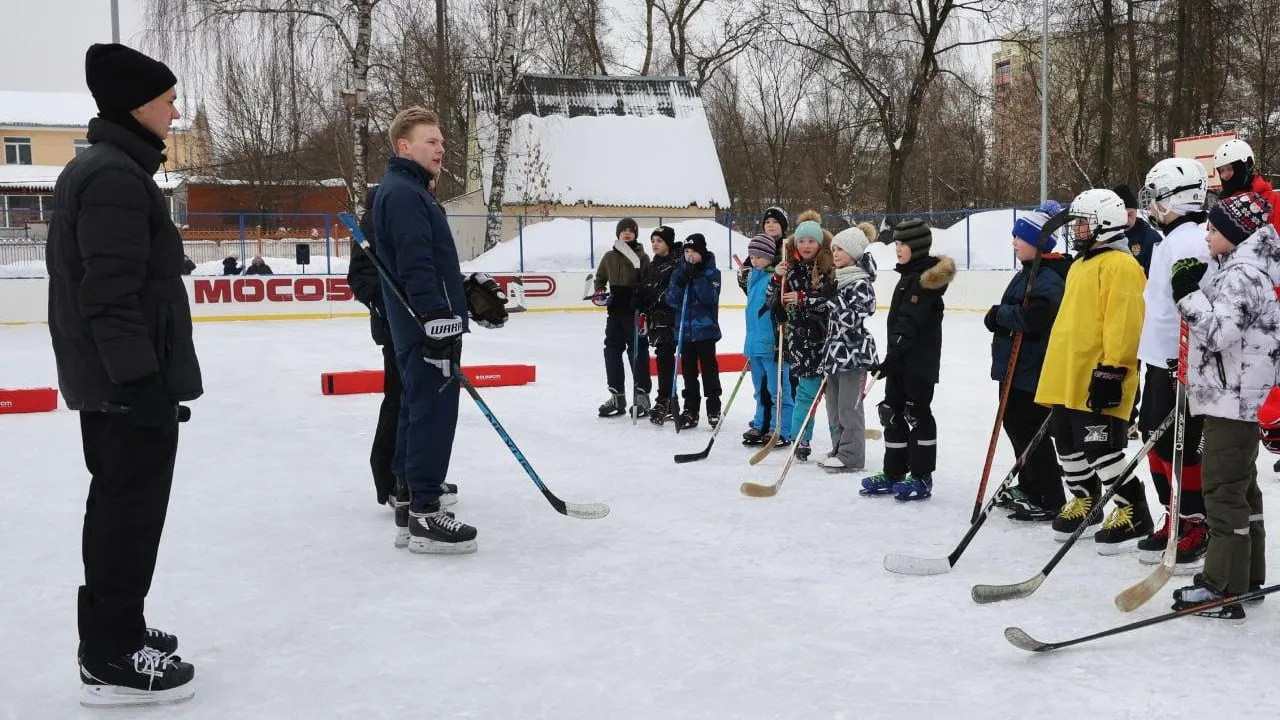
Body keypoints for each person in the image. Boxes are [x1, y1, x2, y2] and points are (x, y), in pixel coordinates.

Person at [48, 42, 202, 706]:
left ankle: (120, 628)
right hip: (125, 388)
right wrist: (139, 385)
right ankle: (110, 655)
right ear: (138, 105)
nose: (175, 109)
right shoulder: (113, 178)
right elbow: (107, 296)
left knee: (123, 508)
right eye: (168, 98)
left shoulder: (116, 169)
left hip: (121, 382)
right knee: (126, 514)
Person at [373, 106, 507, 555]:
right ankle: (427, 514)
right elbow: (415, 263)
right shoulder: (405, 194)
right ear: (403, 146)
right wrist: (436, 317)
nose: (441, 148)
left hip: (425, 322)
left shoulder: (408, 191)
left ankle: (411, 500)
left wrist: (464, 291)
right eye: (431, 141)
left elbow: (428, 262)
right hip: (426, 326)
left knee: (417, 408)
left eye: (442, 141)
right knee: (433, 413)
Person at [1170, 192, 1280, 618]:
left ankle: (1222, 585)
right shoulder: (1242, 271)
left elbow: (1219, 334)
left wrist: (1186, 294)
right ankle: (1245, 578)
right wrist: (1200, 281)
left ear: (1235, 234)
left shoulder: (1242, 276)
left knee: (1222, 493)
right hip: (1234, 397)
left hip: (1230, 400)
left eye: (1214, 228)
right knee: (1242, 491)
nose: (1207, 232)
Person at [1034, 188, 1150, 552]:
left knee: (1100, 449)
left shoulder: (1122, 266)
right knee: (1066, 442)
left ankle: (1134, 508)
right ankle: (1085, 501)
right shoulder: (1080, 265)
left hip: (1099, 376)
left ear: (1105, 223)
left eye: (1083, 223)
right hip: (1068, 374)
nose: (1077, 230)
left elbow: (1125, 323)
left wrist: (1113, 371)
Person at [1133, 158, 1213, 568]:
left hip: (1181, 362)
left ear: (1180, 199)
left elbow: (1195, 304)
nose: (1153, 205)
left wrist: (1189, 358)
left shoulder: (1192, 240)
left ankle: (1195, 520)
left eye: (1158, 197)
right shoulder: (1172, 238)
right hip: (1159, 358)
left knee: (1178, 444)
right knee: (1154, 438)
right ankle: (1175, 514)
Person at [859, 218, 955, 501]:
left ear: (918, 247)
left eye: (904, 244)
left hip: (918, 366)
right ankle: (894, 473)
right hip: (901, 362)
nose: (898, 249)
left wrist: (891, 358)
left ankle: (922, 476)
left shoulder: (925, 282)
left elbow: (909, 325)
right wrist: (892, 360)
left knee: (917, 415)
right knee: (891, 412)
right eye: (897, 243)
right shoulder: (909, 276)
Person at [985, 202, 1071, 520]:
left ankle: (1048, 495)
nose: (1014, 243)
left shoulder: (1048, 276)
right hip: (1014, 368)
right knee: (1016, 428)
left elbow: (1037, 317)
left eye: (1019, 238)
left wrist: (1000, 315)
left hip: (1030, 368)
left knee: (1028, 430)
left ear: (1037, 242)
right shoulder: (1028, 273)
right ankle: (1030, 483)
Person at [768, 210, 836, 462]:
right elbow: (771, 298)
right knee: (805, 393)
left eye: (811, 241)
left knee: (834, 396)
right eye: (802, 241)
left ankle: (839, 441)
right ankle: (801, 438)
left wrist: (804, 298)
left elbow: (832, 300)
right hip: (801, 342)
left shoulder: (830, 267)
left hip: (828, 340)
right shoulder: (790, 268)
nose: (806, 246)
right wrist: (777, 278)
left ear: (819, 243)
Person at [820, 222, 879, 472]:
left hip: (853, 353)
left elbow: (854, 320)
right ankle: (839, 448)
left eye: (841, 249)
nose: (835, 253)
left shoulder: (861, 283)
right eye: (834, 249)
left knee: (848, 407)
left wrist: (833, 300)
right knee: (833, 406)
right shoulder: (839, 279)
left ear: (854, 253)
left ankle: (852, 455)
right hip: (834, 353)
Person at [738, 207, 789, 441]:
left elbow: (775, 297)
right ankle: (761, 423)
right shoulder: (753, 277)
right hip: (755, 343)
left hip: (772, 343)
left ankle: (782, 428)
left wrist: (778, 275)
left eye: (759, 256)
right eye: (753, 255)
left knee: (779, 389)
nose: (755, 260)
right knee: (761, 390)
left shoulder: (777, 273)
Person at [592, 218, 652, 418]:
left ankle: (642, 396)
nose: (627, 233)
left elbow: (648, 283)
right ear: (618, 233)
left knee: (637, 351)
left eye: (631, 230)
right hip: (615, 311)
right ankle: (617, 396)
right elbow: (600, 278)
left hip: (634, 312)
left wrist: (640, 295)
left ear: (635, 234)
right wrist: (600, 291)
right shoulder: (609, 257)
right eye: (623, 230)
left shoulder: (642, 257)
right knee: (611, 351)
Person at [666, 233, 723, 428]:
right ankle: (690, 409)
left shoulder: (712, 273)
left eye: (694, 252)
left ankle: (714, 408)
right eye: (687, 252)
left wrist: (697, 277)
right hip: (685, 331)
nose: (689, 256)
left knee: (709, 369)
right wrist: (682, 280)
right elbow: (671, 300)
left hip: (705, 331)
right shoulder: (678, 272)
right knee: (689, 371)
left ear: (702, 253)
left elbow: (709, 298)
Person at [638, 225, 682, 424]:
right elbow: (648, 289)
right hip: (656, 320)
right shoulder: (654, 264)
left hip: (670, 320)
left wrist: (652, 294)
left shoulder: (675, 264)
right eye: (653, 241)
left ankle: (665, 400)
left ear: (668, 244)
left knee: (665, 359)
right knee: (662, 359)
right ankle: (668, 400)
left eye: (660, 241)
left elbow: (672, 295)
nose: (655, 244)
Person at [1213, 139, 1280, 229]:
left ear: (1245, 169)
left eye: (1230, 169)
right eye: (1221, 171)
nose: (1225, 175)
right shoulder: (1221, 204)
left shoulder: (1273, 200)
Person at [1113, 183, 1163, 276]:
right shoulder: (1103, 238)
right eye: (1121, 215)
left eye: (1130, 214)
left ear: (1136, 211)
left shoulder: (1151, 239)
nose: (1126, 220)